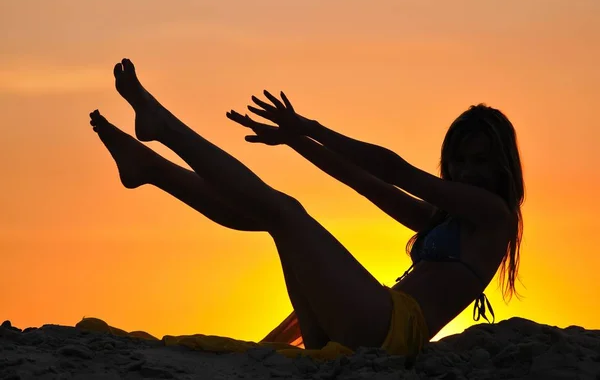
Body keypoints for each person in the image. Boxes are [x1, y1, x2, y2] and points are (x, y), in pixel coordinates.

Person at [90, 58, 524, 358]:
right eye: (460, 161)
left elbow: (397, 171)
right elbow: (364, 181)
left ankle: (163, 128)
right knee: (274, 218)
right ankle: (152, 168)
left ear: (503, 165)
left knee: (285, 211)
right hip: (359, 327)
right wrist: (295, 140)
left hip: (386, 331)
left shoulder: (493, 216)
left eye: (481, 161)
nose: (468, 172)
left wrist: (311, 127)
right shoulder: (445, 221)